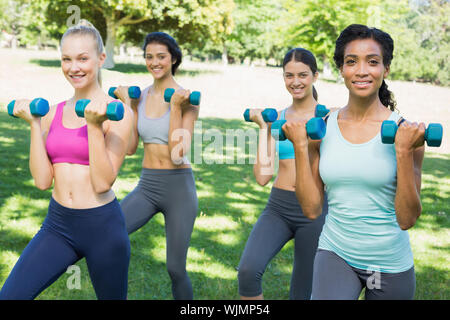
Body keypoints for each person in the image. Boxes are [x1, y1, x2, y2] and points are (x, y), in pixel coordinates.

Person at [283, 24, 424, 300]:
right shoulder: (321, 130)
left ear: (386, 69)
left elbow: (407, 219)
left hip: (386, 264)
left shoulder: (407, 135)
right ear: (341, 69)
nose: (361, 70)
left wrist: (404, 152)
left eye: (372, 62)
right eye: (351, 62)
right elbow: (312, 210)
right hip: (337, 254)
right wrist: (300, 146)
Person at [0, 20, 133, 300]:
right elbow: (42, 181)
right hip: (58, 225)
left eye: (83, 58)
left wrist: (94, 126)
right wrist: (35, 125)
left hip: (103, 228)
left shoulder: (118, 114)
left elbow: (102, 183)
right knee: (11, 295)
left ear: (100, 58)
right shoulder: (52, 112)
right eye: (67, 59)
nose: (74, 67)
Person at [113, 32, 199, 300]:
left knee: (175, 268)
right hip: (147, 186)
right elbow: (129, 148)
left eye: (161, 56)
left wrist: (174, 107)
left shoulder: (187, 99)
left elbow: (177, 153)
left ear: (173, 58)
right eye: (149, 57)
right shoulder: (142, 95)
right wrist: (128, 104)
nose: (154, 62)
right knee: (109, 233)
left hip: (179, 190)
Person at [237, 48, 328, 300]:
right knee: (247, 271)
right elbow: (262, 177)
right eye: (289, 75)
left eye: (302, 75)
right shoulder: (276, 118)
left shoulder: (329, 118)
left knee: (302, 291)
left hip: (315, 211)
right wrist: (264, 129)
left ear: (315, 76)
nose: (295, 81)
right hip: (278, 206)